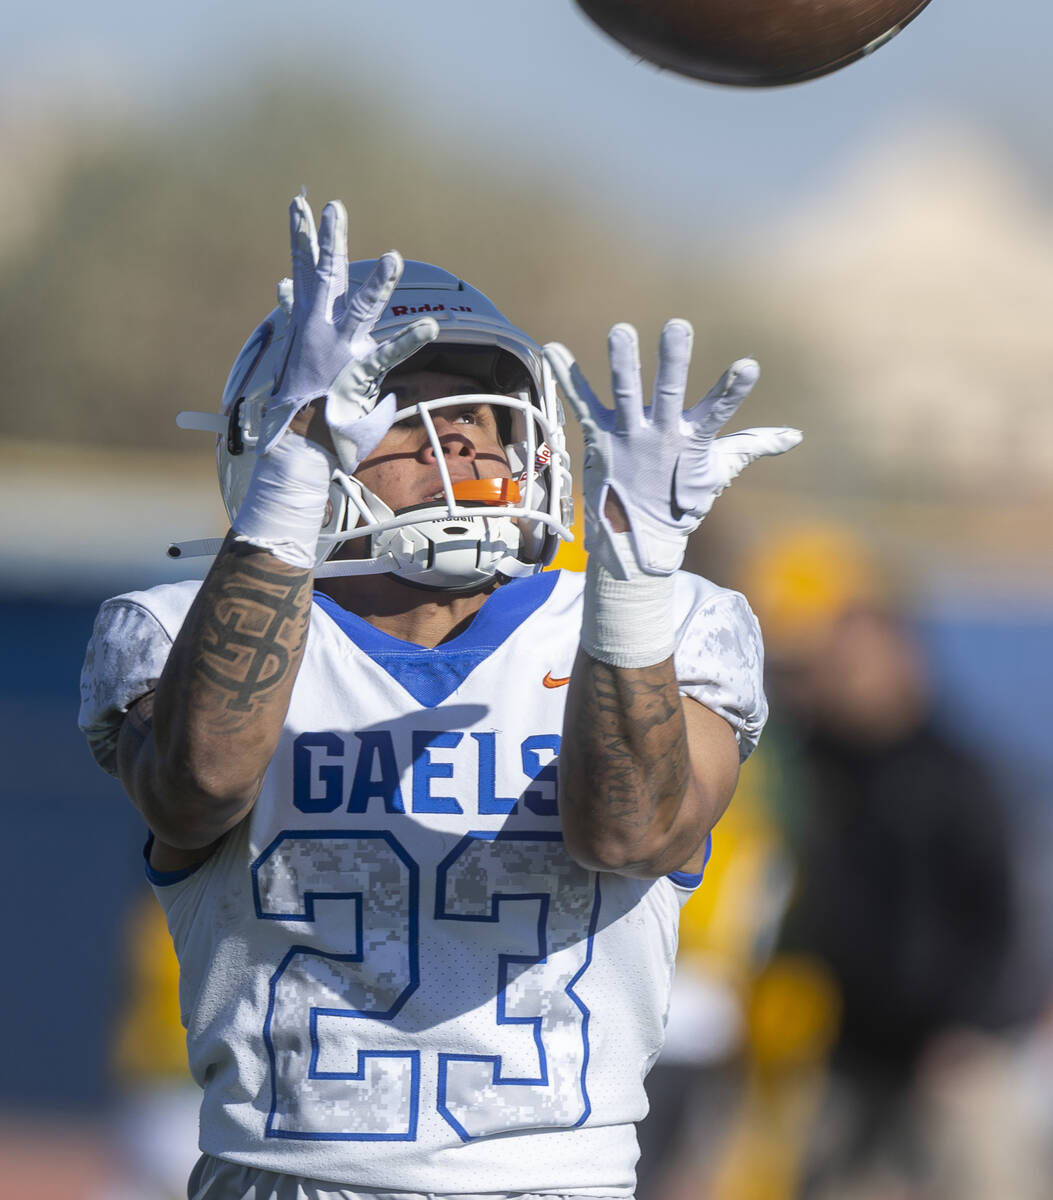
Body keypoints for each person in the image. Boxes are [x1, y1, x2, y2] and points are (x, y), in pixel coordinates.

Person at [78, 195, 800, 1200]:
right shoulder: (167, 631)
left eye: (477, 408)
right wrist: (289, 497)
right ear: (283, 428)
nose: (452, 433)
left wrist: (631, 588)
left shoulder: (671, 627)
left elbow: (632, 831)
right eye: (397, 399)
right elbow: (198, 782)